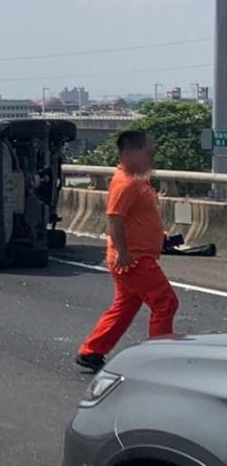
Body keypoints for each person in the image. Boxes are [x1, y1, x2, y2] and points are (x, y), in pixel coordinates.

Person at [76, 130, 178, 371]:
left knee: (126, 306)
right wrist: (123, 251)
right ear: (130, 153)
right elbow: (115, 218)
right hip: (134, 259)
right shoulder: (127, 182)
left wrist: (156, 237)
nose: (152, 152)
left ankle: (91, 350)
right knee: (165, 303)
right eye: (147, 149)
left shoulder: (137, 178)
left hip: (134, 255)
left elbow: (136, 217)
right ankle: (158, 360)